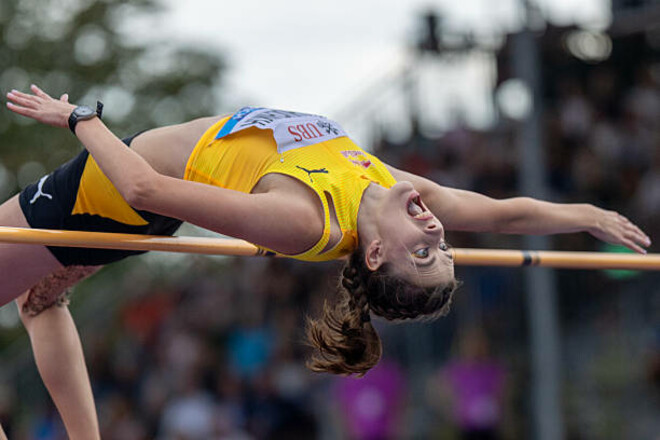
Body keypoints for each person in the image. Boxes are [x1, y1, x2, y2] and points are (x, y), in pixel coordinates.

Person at [2, 85, 651, 439]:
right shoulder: (388, 186)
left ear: (377, 253)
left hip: (101, 193)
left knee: (41, 303)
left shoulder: (305, 222)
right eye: (445, 247)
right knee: (41, 303)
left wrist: (78, 118)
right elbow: (504, 214)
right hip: (122, 204)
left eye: (425, 252)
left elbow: (144, 187)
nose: (436, 229)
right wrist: (586, 215)